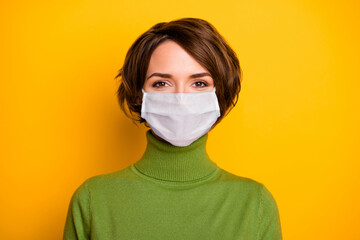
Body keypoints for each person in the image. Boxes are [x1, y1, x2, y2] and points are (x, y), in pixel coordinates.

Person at [63, 18, 282, 240]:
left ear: (219, 94)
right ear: (140, 95)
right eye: (161, 83)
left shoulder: (254, 204)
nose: (181, 99)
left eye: (199, 83)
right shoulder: (94, 200)